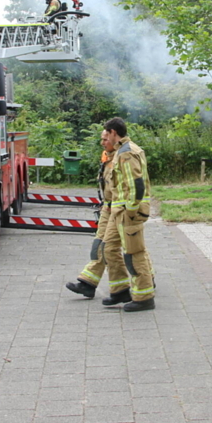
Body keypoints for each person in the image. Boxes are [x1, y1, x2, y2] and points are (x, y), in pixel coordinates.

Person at [64, 130, 130, 300]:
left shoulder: (123, 157)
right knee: (99, 247)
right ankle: (88, 283)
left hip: (119, 210)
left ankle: (141, 281)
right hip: (107, 209)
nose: (102, 142)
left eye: (105, 139)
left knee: (129, 249)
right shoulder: (107, 157)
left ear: (115, 137)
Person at [101, 117, 155, 312]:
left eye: (107, 134)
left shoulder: (127, 153)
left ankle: (144, 297)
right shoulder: (122, 151)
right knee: (108, 248)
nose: (105, 138)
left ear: (114, 132)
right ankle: (120, 290)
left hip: (127, 213)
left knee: (134, 253)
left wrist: (131, 211)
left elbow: (136, 185)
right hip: (119, 212)